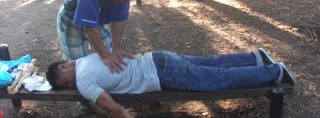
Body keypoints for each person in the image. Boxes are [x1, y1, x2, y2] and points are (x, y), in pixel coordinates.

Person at [46, 48, 294, 117]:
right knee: (210, 62)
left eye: (65, 82)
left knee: (218, 79)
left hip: (163, 74)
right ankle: (255, 58)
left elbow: (115, 108)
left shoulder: (84, 79)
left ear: (62, 67)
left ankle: (275, 73)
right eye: (67, 87)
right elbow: (126, 76)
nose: (71, 86)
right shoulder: (92, 56)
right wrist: (153, 96)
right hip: (158, 58)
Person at [57, 0, 144, 73]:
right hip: (70, 20)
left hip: (97, 21)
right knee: (76, 68)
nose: (124, 1)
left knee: (112, 59)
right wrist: (105, 56)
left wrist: (116, 50)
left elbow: (119, 23)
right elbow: (90, 28)